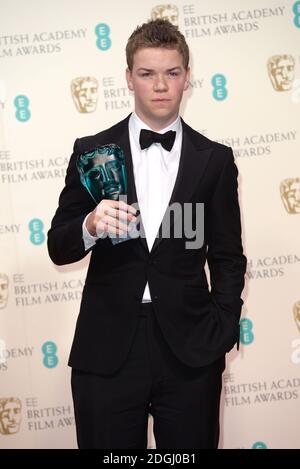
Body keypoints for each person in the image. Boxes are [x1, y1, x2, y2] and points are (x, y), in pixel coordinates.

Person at [48, 19, 247, 449]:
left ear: (187, 78)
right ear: (128, 78)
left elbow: (228, 257)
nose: (161, 85)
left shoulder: (213, 161)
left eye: (172, 73)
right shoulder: (91, 152)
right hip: (108, 348)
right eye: (147, 73)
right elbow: (58, 246)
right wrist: (89, 225)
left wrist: (223, 327)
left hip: (191, 349)